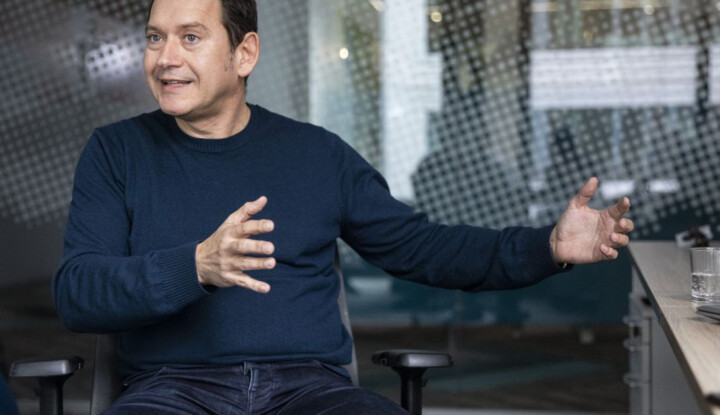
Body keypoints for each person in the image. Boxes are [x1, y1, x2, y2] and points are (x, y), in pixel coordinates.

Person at [51, 0, 634, 413]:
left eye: (190, 37)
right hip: (172, 390)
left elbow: (425, 248)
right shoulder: (115, 153)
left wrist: (547, 246)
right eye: (155, 37)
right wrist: (195, 266)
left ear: (244, 53)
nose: (165, 58)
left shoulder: (317, 155)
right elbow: (78, 292)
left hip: (309, 390)